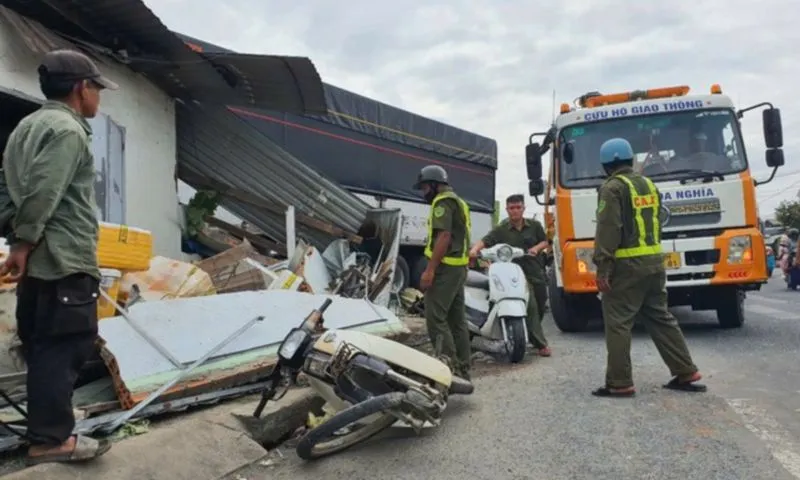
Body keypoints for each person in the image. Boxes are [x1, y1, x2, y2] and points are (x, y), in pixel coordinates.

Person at [0, 49, 118, 465]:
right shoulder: (67, 130)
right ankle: (51, 441)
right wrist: (23, 243)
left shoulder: (24, 129)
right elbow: (45, 191)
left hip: (38, 264)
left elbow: (5, 187)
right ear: (80, 88)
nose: (99, 99)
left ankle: (49, 424)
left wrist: (16, 239)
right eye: (97, 89)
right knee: (65, 345)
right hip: (63, 258)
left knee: (41, 346)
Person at [591, 138, 705, 398]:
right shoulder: (649, 185)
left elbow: (609, 229)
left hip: (626, 266)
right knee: (660, 317)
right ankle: (685, 370)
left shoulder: (612, 188)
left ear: (606, 165)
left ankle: (619, 382)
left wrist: (603, 268)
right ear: (630, 160)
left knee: (618, 322)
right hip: (654, 263)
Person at [468, 194, 551, 356]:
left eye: (518, 207)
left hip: (534, 270)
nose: (515, 211)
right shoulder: (501, 229)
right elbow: (486, 241)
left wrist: (536, 248)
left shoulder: (534, 226)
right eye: (512, 208)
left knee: (540, 303)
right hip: (512, 274)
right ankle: (541, 343)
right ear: (507, 210)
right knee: (530, 303)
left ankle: (528, 331)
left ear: (523, 208)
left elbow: (545, 241)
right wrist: (474, 250)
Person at [413, 165, 473, 383]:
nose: (423, 193)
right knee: (457, 321)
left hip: (445, 268)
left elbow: (445, 236)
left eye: (424, 187)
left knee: (435, 319)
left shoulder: (442, 202)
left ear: (434, 185)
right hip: (457, 268)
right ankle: (463, 370)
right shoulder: (459, 201)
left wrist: (430, 270)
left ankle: (447, 369)